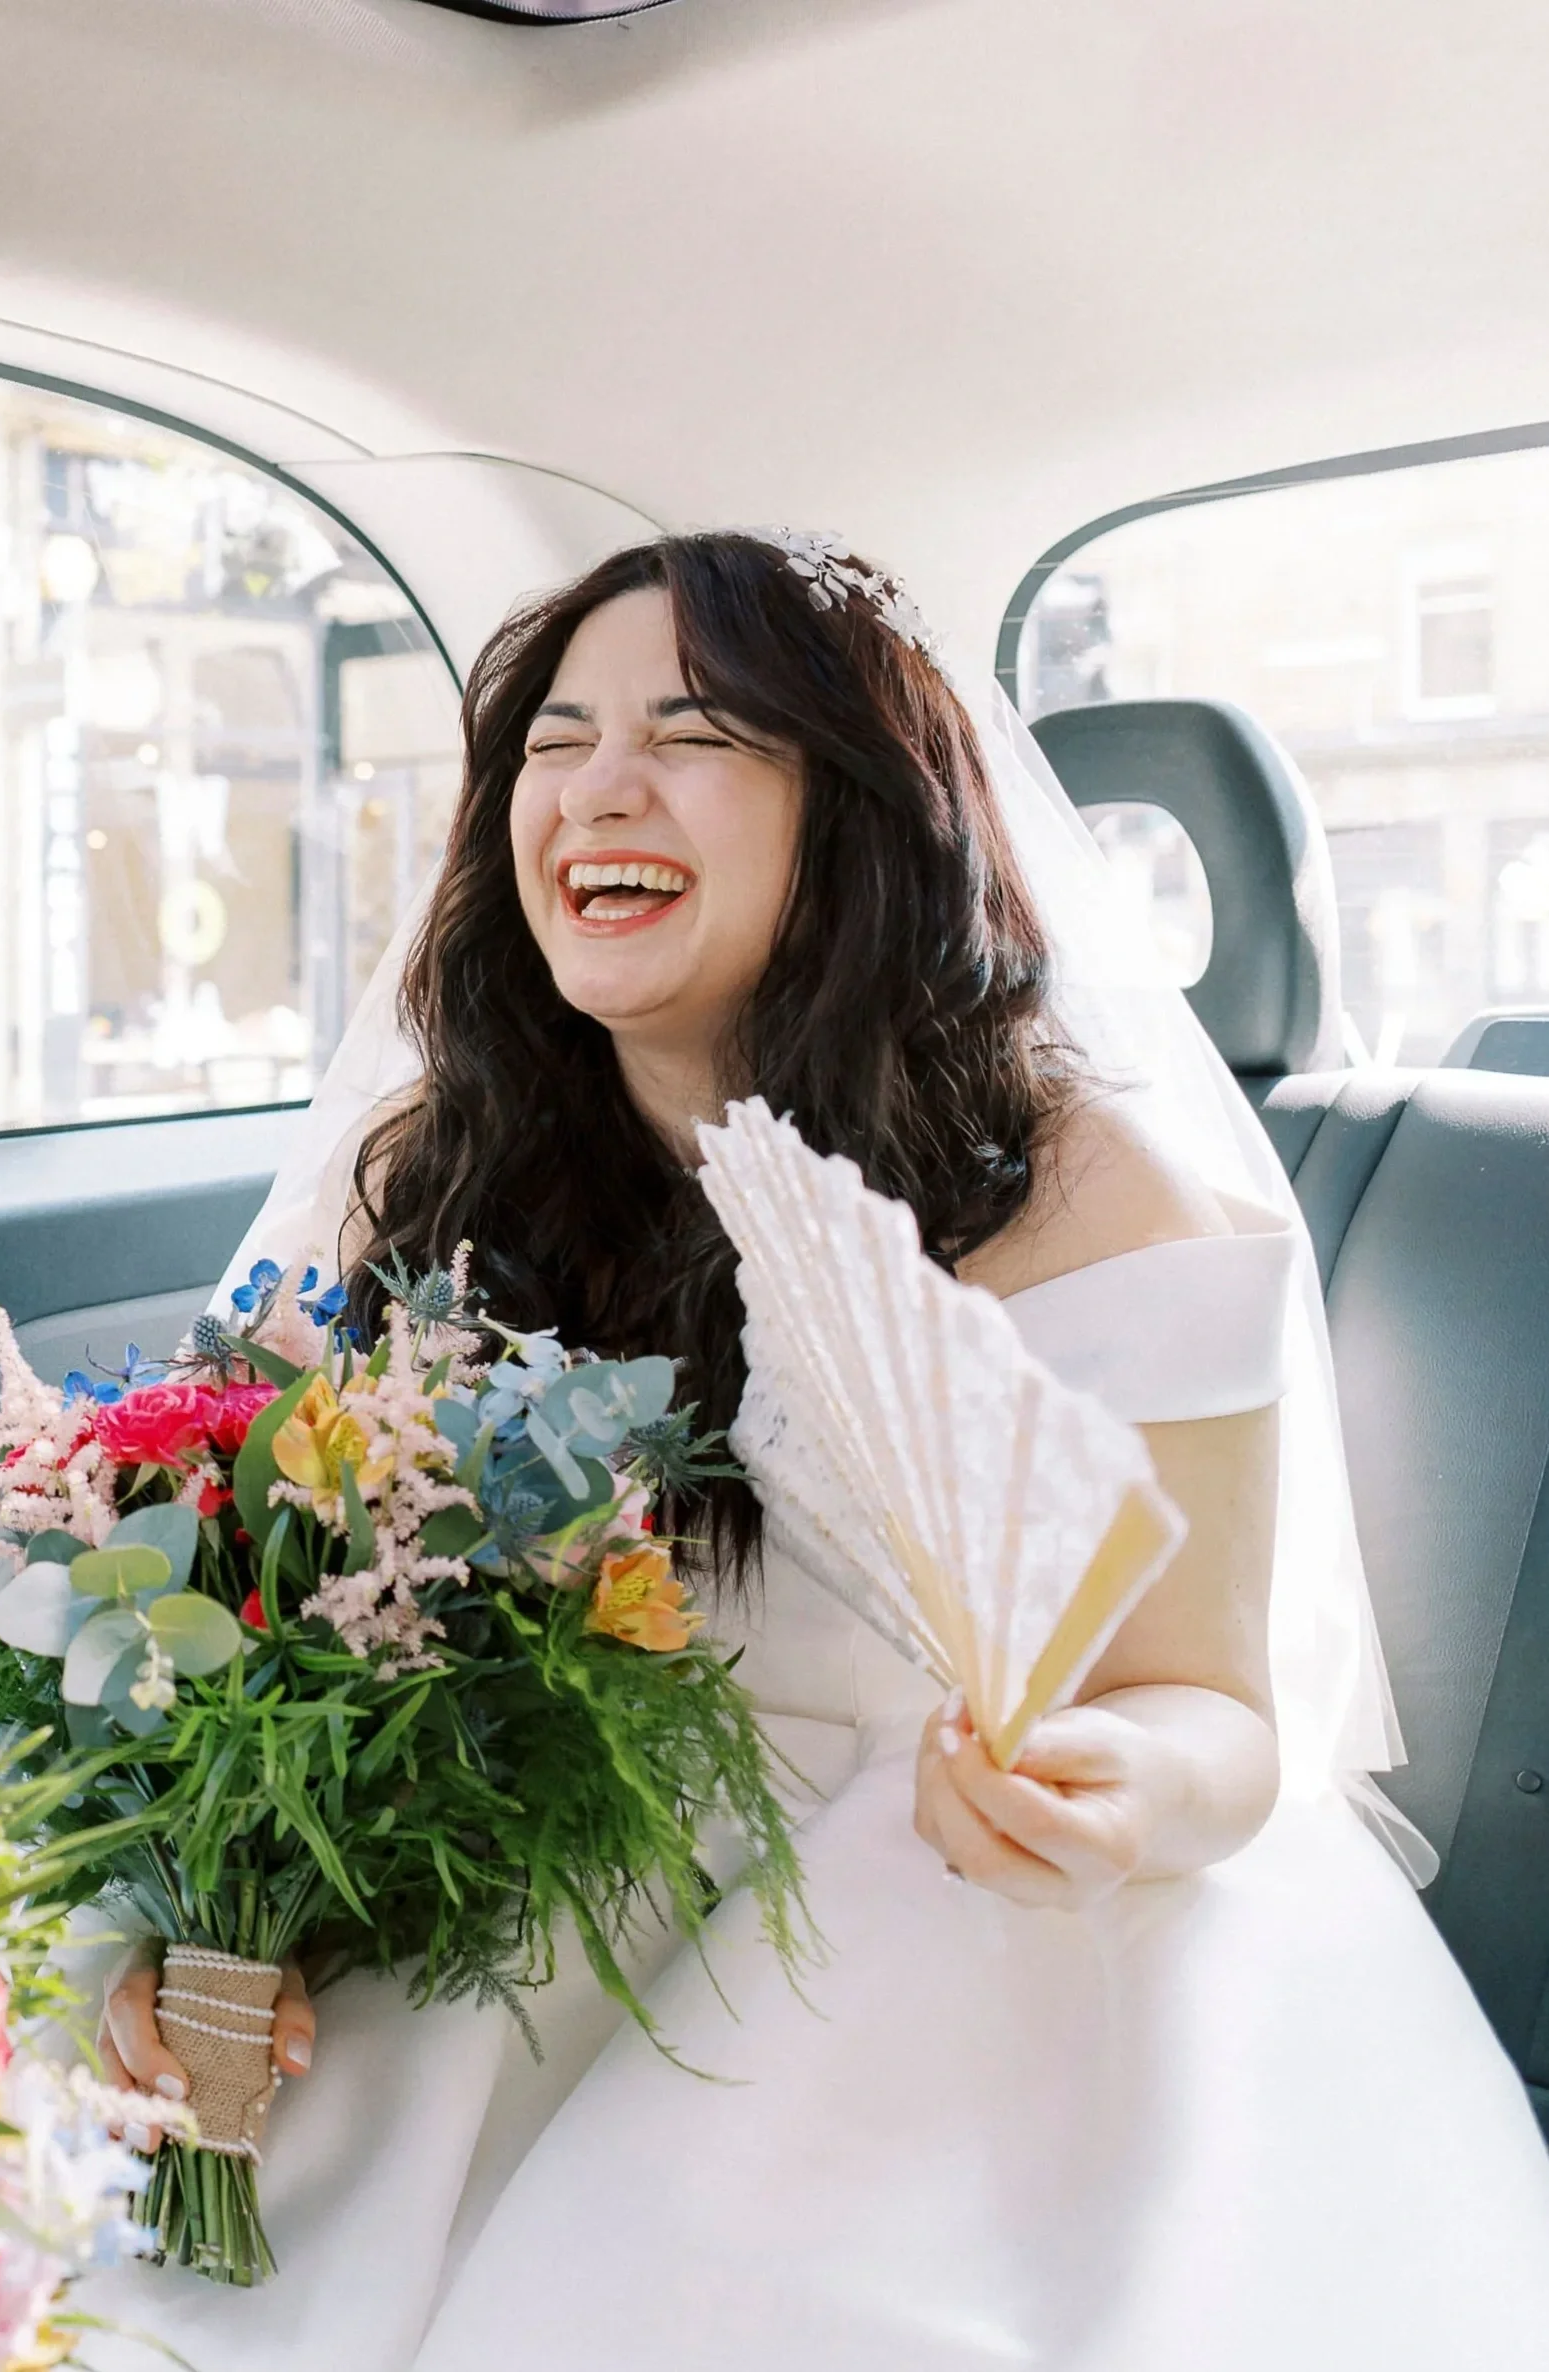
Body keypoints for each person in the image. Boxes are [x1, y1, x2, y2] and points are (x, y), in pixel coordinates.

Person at [83, 533, 1549, 2371]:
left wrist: (1111, 1788)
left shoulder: (1092, 1195)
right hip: (510, 1907)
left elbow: (1217, 1709)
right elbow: (284, 1621)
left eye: (693, 735)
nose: (597, 787)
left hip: (939, 1938)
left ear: (854, 817)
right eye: (554, 741)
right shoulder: (430, 1173)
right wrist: (213, 1919)